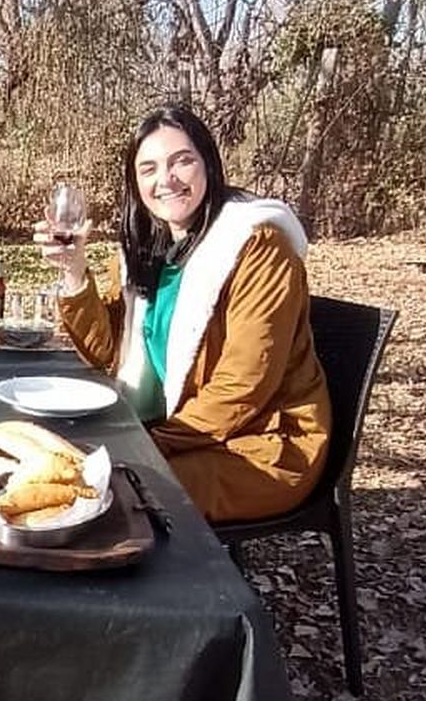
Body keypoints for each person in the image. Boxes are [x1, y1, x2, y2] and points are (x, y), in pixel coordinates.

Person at [34, 105, 331, 522]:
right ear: (135, 185)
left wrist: (144, 442)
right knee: (48, 467)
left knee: (98, 494)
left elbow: (244, 386)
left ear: (208, 163)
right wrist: (73, 269)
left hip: (257, 447)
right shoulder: (149, 251)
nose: (166, 180)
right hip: (180, 433)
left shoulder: (259, 249)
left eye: (182, 161)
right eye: (148, 169)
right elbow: (107, 352)